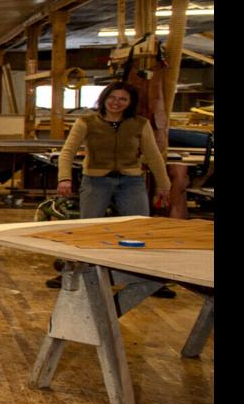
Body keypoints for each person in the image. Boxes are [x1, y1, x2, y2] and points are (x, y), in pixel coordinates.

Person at [48, 81, 175, 296]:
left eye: (122, 99)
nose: (116, 103)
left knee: (139, 229)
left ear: (130, 102)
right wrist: (64, 179)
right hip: (96, 180)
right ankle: (73, 273)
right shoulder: (86, 122)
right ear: (104, 99)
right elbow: (68, 152)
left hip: (131, 181)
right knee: (89, 229)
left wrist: (164, 185)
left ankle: (147, 279)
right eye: (112, 98)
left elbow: (154, 156)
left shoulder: (139, 124)